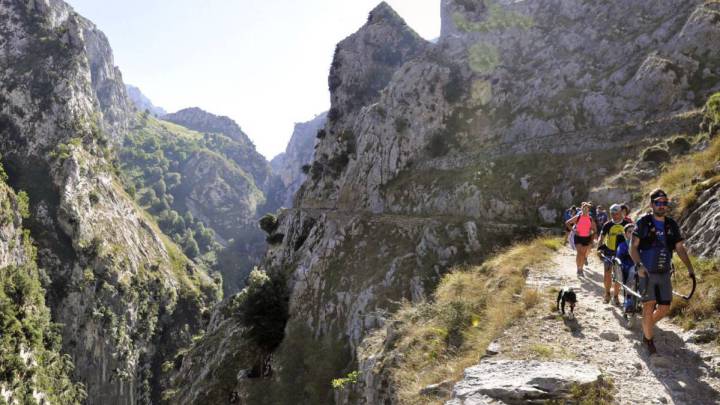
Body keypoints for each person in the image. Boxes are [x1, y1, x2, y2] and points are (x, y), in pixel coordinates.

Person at [630, 189, 695, 355]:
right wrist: (639, 266)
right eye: (658, 202)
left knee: (665, 307)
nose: (662, 205)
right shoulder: (644, 222)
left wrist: (690, 268)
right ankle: (649, 341)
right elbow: (634, 247)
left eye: (665, 202)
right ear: (652, 204)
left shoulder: (671, 224)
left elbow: (679, 248)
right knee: (649, 305)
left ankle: (647, 327)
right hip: (647, 271)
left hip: (664, 272)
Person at [598, 204, 631, 305]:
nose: (614, 216)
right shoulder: (607, 224)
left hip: (622, 253)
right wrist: (599, 248)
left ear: (620, 212)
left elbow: (633, 237)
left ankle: (616, 296)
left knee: (618, 276)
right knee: (607, 274)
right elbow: (601, 237)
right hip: (609, 251)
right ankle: (607, 293)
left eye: (616, 213)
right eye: (612, 213)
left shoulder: (627, 224)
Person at [566, 202, 596, 277]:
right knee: (579, 253)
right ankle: (578, 268)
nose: (585, 210)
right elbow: (567, 223)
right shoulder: (578, 217)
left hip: (586, 238)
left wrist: (590, 232)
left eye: (587, 209)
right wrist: (574, 231)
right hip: (578, 237)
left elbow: (594, 229)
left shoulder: (590, 218)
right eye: (584, 208)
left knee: (583, 254)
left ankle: (581, 269)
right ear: (582, 209)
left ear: (588, 210)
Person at [615, 223, 637, 315]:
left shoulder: (640, 244)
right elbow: (619, 257)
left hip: (639, 265)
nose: (632, 234)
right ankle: (628, 299)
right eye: (629, 232)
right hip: (627, 266)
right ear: (625, 234)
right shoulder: (623, 245)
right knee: (633, 270)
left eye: (634, 232)